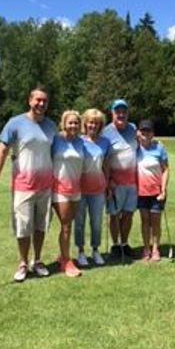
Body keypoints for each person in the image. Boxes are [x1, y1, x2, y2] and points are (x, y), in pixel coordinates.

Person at [0, 87, 57, 282]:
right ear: (30, 100)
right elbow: (2, 151)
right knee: (23, 227)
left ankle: (38, 260)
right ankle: (23, 262)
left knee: (41, 226)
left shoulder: (51, 126)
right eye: (38, 100)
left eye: (45, 101)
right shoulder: (15, 123)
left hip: (45, 185)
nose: (41, 104)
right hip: (23, 185)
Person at [101, 99, 137, 259]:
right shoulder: (106, 132)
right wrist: (108, 181)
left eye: (124, 111)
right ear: (112, 113)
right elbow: (104, 159)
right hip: (115, 183)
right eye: (118, 111)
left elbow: (142, 143)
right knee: (114, 215)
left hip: (133, 182)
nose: (121, 114)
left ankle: (124, 243)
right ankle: (115, 244)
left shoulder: (133, 128)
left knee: (128, 214)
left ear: (127, 113)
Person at [74, 109, 110, 267]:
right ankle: (81, 252)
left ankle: (95, 251)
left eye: (96, 123)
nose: (93, 125)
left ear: (100, 125)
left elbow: (106, 166)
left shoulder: (105, 142)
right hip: (79, 189)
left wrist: (108, 185)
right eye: (90, 122)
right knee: (80, 222)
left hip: (98, 189)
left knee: (96, 222)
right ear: (85, 123)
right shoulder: (78, 140)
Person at [52, 110, 84, 277]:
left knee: (68, 225)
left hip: (76, 189)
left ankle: (62, 255)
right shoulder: (55, 139)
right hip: (59, 188)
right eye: (70, 122)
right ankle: (66, 261)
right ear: (63, 124)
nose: (73, 125)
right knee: (65, 225)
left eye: (76, 123)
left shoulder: (81, 142)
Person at [136, 119, 169, 261]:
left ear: (152, 133)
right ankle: (146, 248)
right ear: (139, 132)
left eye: (148, 131)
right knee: (144, 221)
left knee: (155, 222)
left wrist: (164, 189)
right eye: (143, 131)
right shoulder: (135, 148)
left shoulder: (159, 148)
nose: (145, 133)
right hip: (141, 192)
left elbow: (166, 169)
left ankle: (155, 249)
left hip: (156, 192)